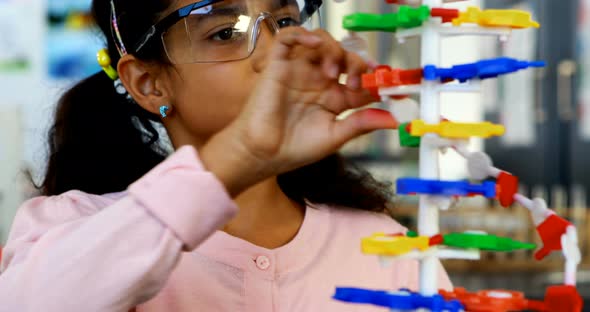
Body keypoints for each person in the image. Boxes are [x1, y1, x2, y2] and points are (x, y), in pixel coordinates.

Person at [0, 0, 451, 311]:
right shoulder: (73, 225)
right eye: (224, 33)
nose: (274, 52)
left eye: (286, 22)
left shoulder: (384, 248)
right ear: (147, 82)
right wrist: (240, 155)